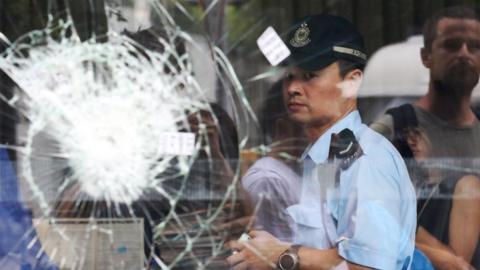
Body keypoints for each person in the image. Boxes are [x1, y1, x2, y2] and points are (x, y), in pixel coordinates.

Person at [227, 14, 416, 270]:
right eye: (289, 76)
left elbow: (369, 266)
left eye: (309, 75)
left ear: (351, 82)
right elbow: (330, 247)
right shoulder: (328, 155)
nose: (293, 87)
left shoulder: (365, 159)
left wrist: (282, 255)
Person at [370, 6, 480, 269]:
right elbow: (362, 213)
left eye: (474, 46)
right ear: (426, 56)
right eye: (452, 45)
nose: (464, 53)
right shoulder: (394, 130)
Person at [242, 80, 307, 241]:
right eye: (310, 126)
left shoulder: (298, 172)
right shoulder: (268, 180)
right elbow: (277, 257)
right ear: (283, 128)